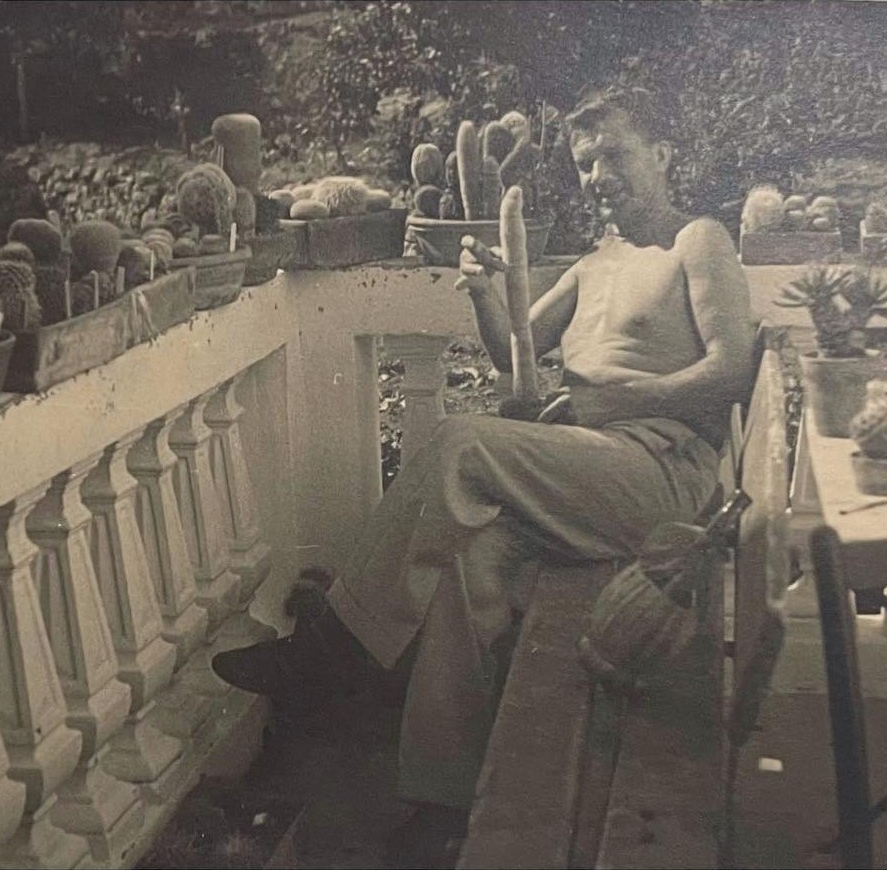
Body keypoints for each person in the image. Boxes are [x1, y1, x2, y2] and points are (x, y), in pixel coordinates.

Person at [213, 85, 755, 861]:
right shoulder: (597, 260)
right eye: (586, 163)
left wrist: (625, 397)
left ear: (664, 155)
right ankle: (443, 802)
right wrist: (481, 293)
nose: (599, 175)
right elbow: (514, 358)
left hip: (662, 474)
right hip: (594, 470)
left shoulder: (695, 241)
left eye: (616, 156)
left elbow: (730, 370)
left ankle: (336, 652)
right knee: (469, 565)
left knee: (461, 442)